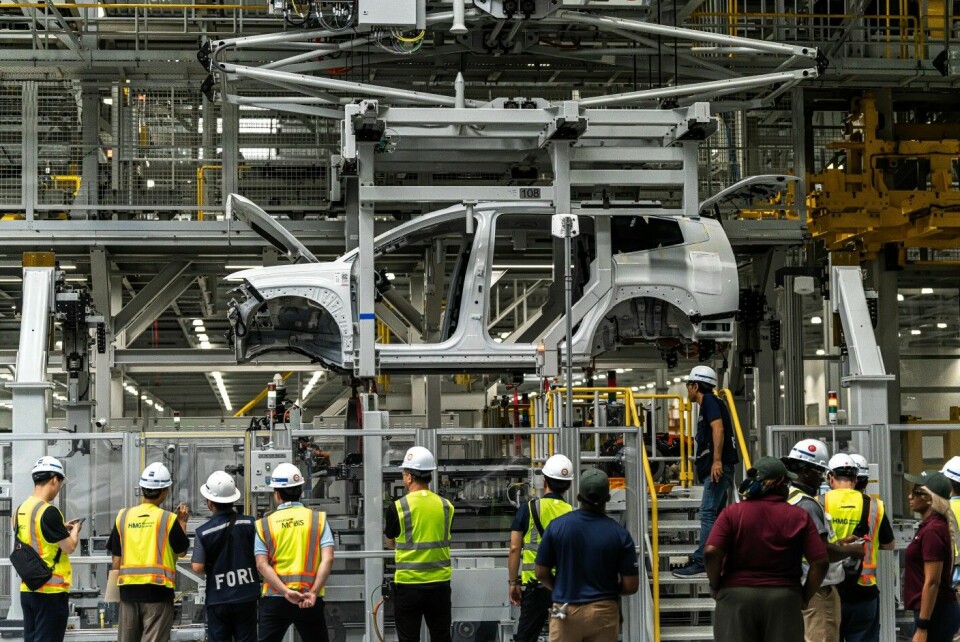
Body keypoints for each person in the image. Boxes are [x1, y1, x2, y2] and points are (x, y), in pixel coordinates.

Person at [705, 456, 829, 642]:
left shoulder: (732, 513)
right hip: (784, 599)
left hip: (736, 598)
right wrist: (804, 596)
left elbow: (711, 552)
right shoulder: (799, 516)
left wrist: (716, 585)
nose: (788, 487)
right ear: (779, 483)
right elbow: (820, 562)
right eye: (787, 482)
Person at [534, 468, 640, 642]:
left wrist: (561, 588)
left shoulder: (557, 527)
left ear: (578, 496)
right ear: (607, 498)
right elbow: (631, 585)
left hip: (565, 611)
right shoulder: (620, 534)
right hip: (603, 613)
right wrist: (607, 592)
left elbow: (540, 573)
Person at [782, 441, 864, 642]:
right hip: (817, 591)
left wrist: (839, 545)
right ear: (807, 471)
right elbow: (822, 552)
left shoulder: (790, 498)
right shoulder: (808, 505)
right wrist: (851, 550)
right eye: (819, 473)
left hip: (800, 586)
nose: (822, 480)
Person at [107, 462, 190, 642]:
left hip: (128, 593)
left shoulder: (123, 516)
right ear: (165, 491)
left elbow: (116, 559)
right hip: (158, 594)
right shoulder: (168, 519)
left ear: (142, 489)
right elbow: (182, 551)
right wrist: (183, 523)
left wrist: (115, 593)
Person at [254, 462, 334, 642]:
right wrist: (313, 592)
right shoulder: (318, 519)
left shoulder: (264, 524)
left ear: (276, 493)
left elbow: (261, 564)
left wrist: (285, 592)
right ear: (300, 489)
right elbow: (327, 559)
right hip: (308, 599)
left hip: (275, 598)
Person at [674, 365, 740, 578]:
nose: (687, 390)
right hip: (718, 467)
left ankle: (703, 559)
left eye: (688, 385)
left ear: (696, 385)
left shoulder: (710, 401)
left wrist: (717, 461)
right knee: (717, 515)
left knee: (708, 513)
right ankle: (718, 557)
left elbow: (718, 428)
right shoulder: (711, 404)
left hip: (718, 467)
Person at [384, 446, 455, 642]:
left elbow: (390, 542)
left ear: (409, 477)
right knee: (441, 636)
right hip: (440, 584)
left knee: (408, 638)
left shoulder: (397, 507)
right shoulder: (446, 506)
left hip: (409, 585)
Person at [823, 453, 895, 642]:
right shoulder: (874, 506)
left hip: (828, 590)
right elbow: (889, 544)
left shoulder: (819, 502)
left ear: (830, 478)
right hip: (864, 590)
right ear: (855, 480)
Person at [508, 454, 574, 642]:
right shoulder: (572, 513)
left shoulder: (528, 509)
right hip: (562, 591)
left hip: (535, 588)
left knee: (526, 637)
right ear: (568, 485)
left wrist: (513, 583)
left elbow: (514, 548)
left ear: (544, 481)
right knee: (562, 636)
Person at [16, 456, 82, 642]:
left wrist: (61, 528)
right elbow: (69, 547)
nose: (59, 487)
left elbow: (34, 538)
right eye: (60, 482)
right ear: (54, 479)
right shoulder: (49, 511)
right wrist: (74, 531)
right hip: (50, 592)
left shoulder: (21, 509)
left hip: (28, 589)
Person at [190, 471, 259, 642]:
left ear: (210, 503)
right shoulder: (250, 523)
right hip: (246, 595)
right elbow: (260, 556)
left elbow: (197, 567)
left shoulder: (203, 532)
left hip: (218, 598)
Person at [903, 471, 960, 642]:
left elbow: (932, 582)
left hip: (935, 614)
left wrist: (922, 626)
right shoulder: (931, 527)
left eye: (916, 492)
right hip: (933, 611)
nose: (909, 496)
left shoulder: (932, 531)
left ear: (929, 499)